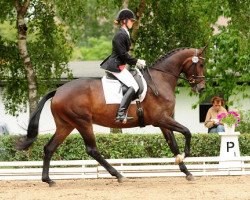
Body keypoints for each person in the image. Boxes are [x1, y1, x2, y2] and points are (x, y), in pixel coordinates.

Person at [100, 9, 146, 123]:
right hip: (115, 66)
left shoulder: (125, 33)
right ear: (124, 21)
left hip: (120, 65)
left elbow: (124, 55)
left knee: (132, 84)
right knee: (134, 86)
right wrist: (137, 61)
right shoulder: (120, 35)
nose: (132, 22)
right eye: (131, 20)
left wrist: (134, 63)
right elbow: (123, 54)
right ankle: (120, 114)